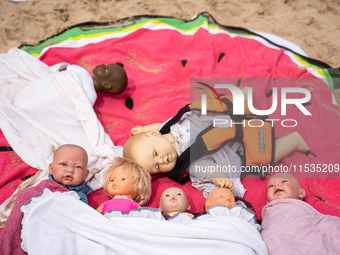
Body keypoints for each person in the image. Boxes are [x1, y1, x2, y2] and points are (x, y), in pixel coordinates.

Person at [123, 87, 310, 198]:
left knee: (227, 104)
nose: (163, 161)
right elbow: (206, 168)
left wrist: (145, 127)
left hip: (225, 117)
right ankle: (294, 141)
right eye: (156, 167)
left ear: (152, 135)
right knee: (265, 157)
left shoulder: (166, 129)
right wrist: (218, 176)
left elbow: (163, 123)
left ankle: (243, 97)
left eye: (156, 154)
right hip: (236, 145)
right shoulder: (188, 161)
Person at [261, 173, 340, 255]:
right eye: (270, 186)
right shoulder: (269, 211)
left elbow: (322, 223)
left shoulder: (301, 208)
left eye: (284, 181)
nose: (276, 184)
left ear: (301, 193)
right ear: (268, 201)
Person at [59, 62, 128, 106]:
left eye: (106, 69)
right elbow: (61, 70)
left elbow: (80, 108)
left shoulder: (91, 95)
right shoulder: (82, 71)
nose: (103, 64)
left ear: (106, 85)